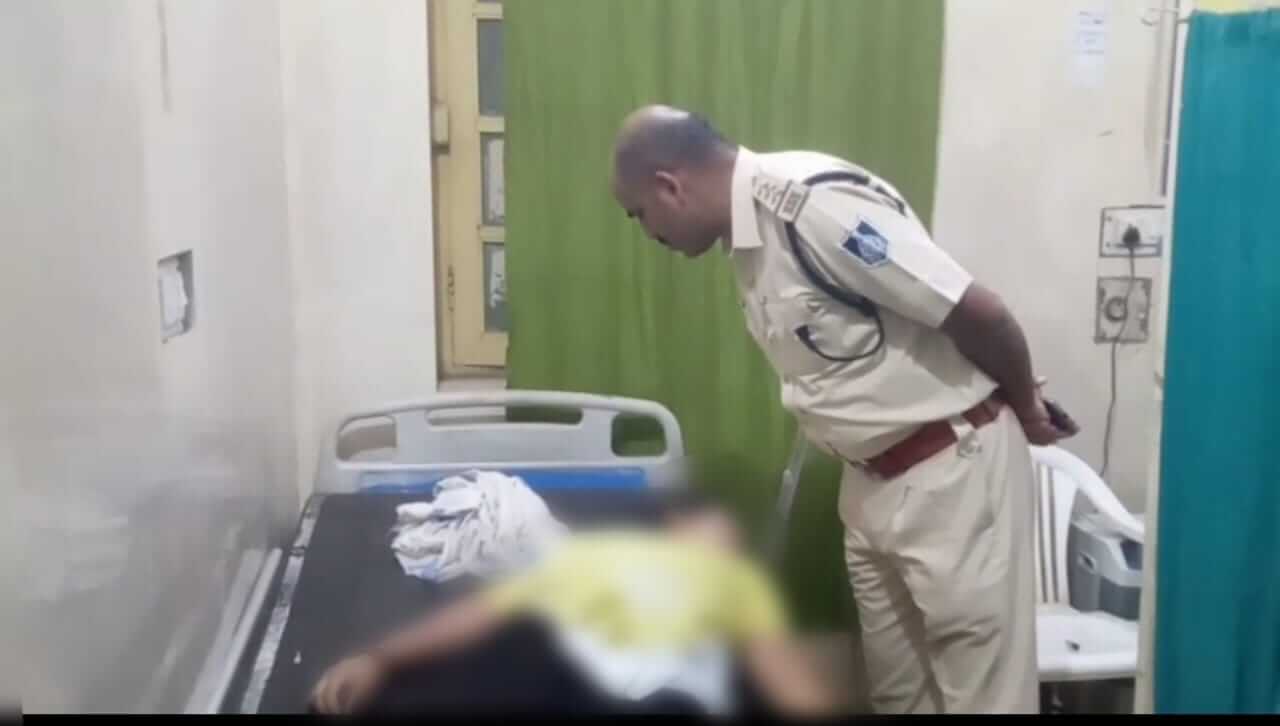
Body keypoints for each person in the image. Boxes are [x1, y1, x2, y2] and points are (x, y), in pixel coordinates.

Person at [610, 105, 1080, 714]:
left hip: (951, 473)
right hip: (869, 486)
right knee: (900, 695)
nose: (648, 234)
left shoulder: (812, 208)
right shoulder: (748, 241)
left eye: (639, 214)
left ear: (669, 186)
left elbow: (978, 312)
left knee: (983, 696)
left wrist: (1029, 409)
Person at [309, 491, 835, 716]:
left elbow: (791, 683)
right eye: (711, 525)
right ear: (673, 529)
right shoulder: (594, 559)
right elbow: (478, 615)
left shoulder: (737, 585)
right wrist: (378, 659)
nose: (723, 538)